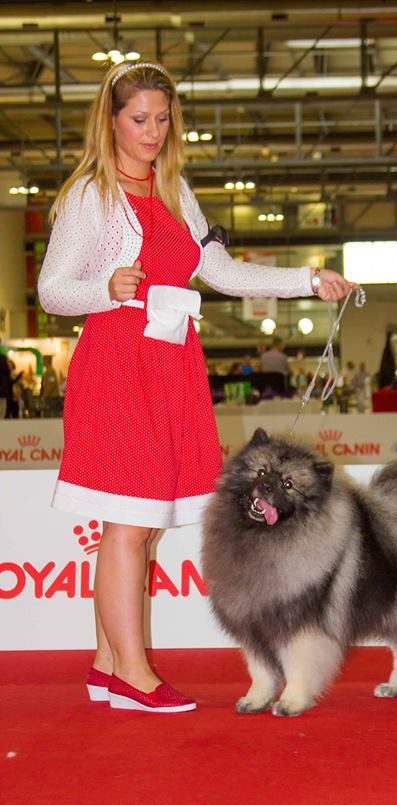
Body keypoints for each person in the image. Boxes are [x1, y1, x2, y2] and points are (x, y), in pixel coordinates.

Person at [37, 60, 356, 714]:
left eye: (162, 119)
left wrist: (306, 280)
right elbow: (51, 291)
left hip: (171, 362)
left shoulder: (175, 189)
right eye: (138, 119)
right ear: (111, 121)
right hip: (118, 364)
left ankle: (107, 666)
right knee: (129, 527)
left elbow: (224, 272)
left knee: (138, 528)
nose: (152, 131)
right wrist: (105, 287)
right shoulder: (90, 196)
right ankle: (133, 676)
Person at [0, 340, 11, 419]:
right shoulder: (3, 358)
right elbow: (7, 374)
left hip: (2, 392)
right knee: (1, 417)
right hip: (2, 392)